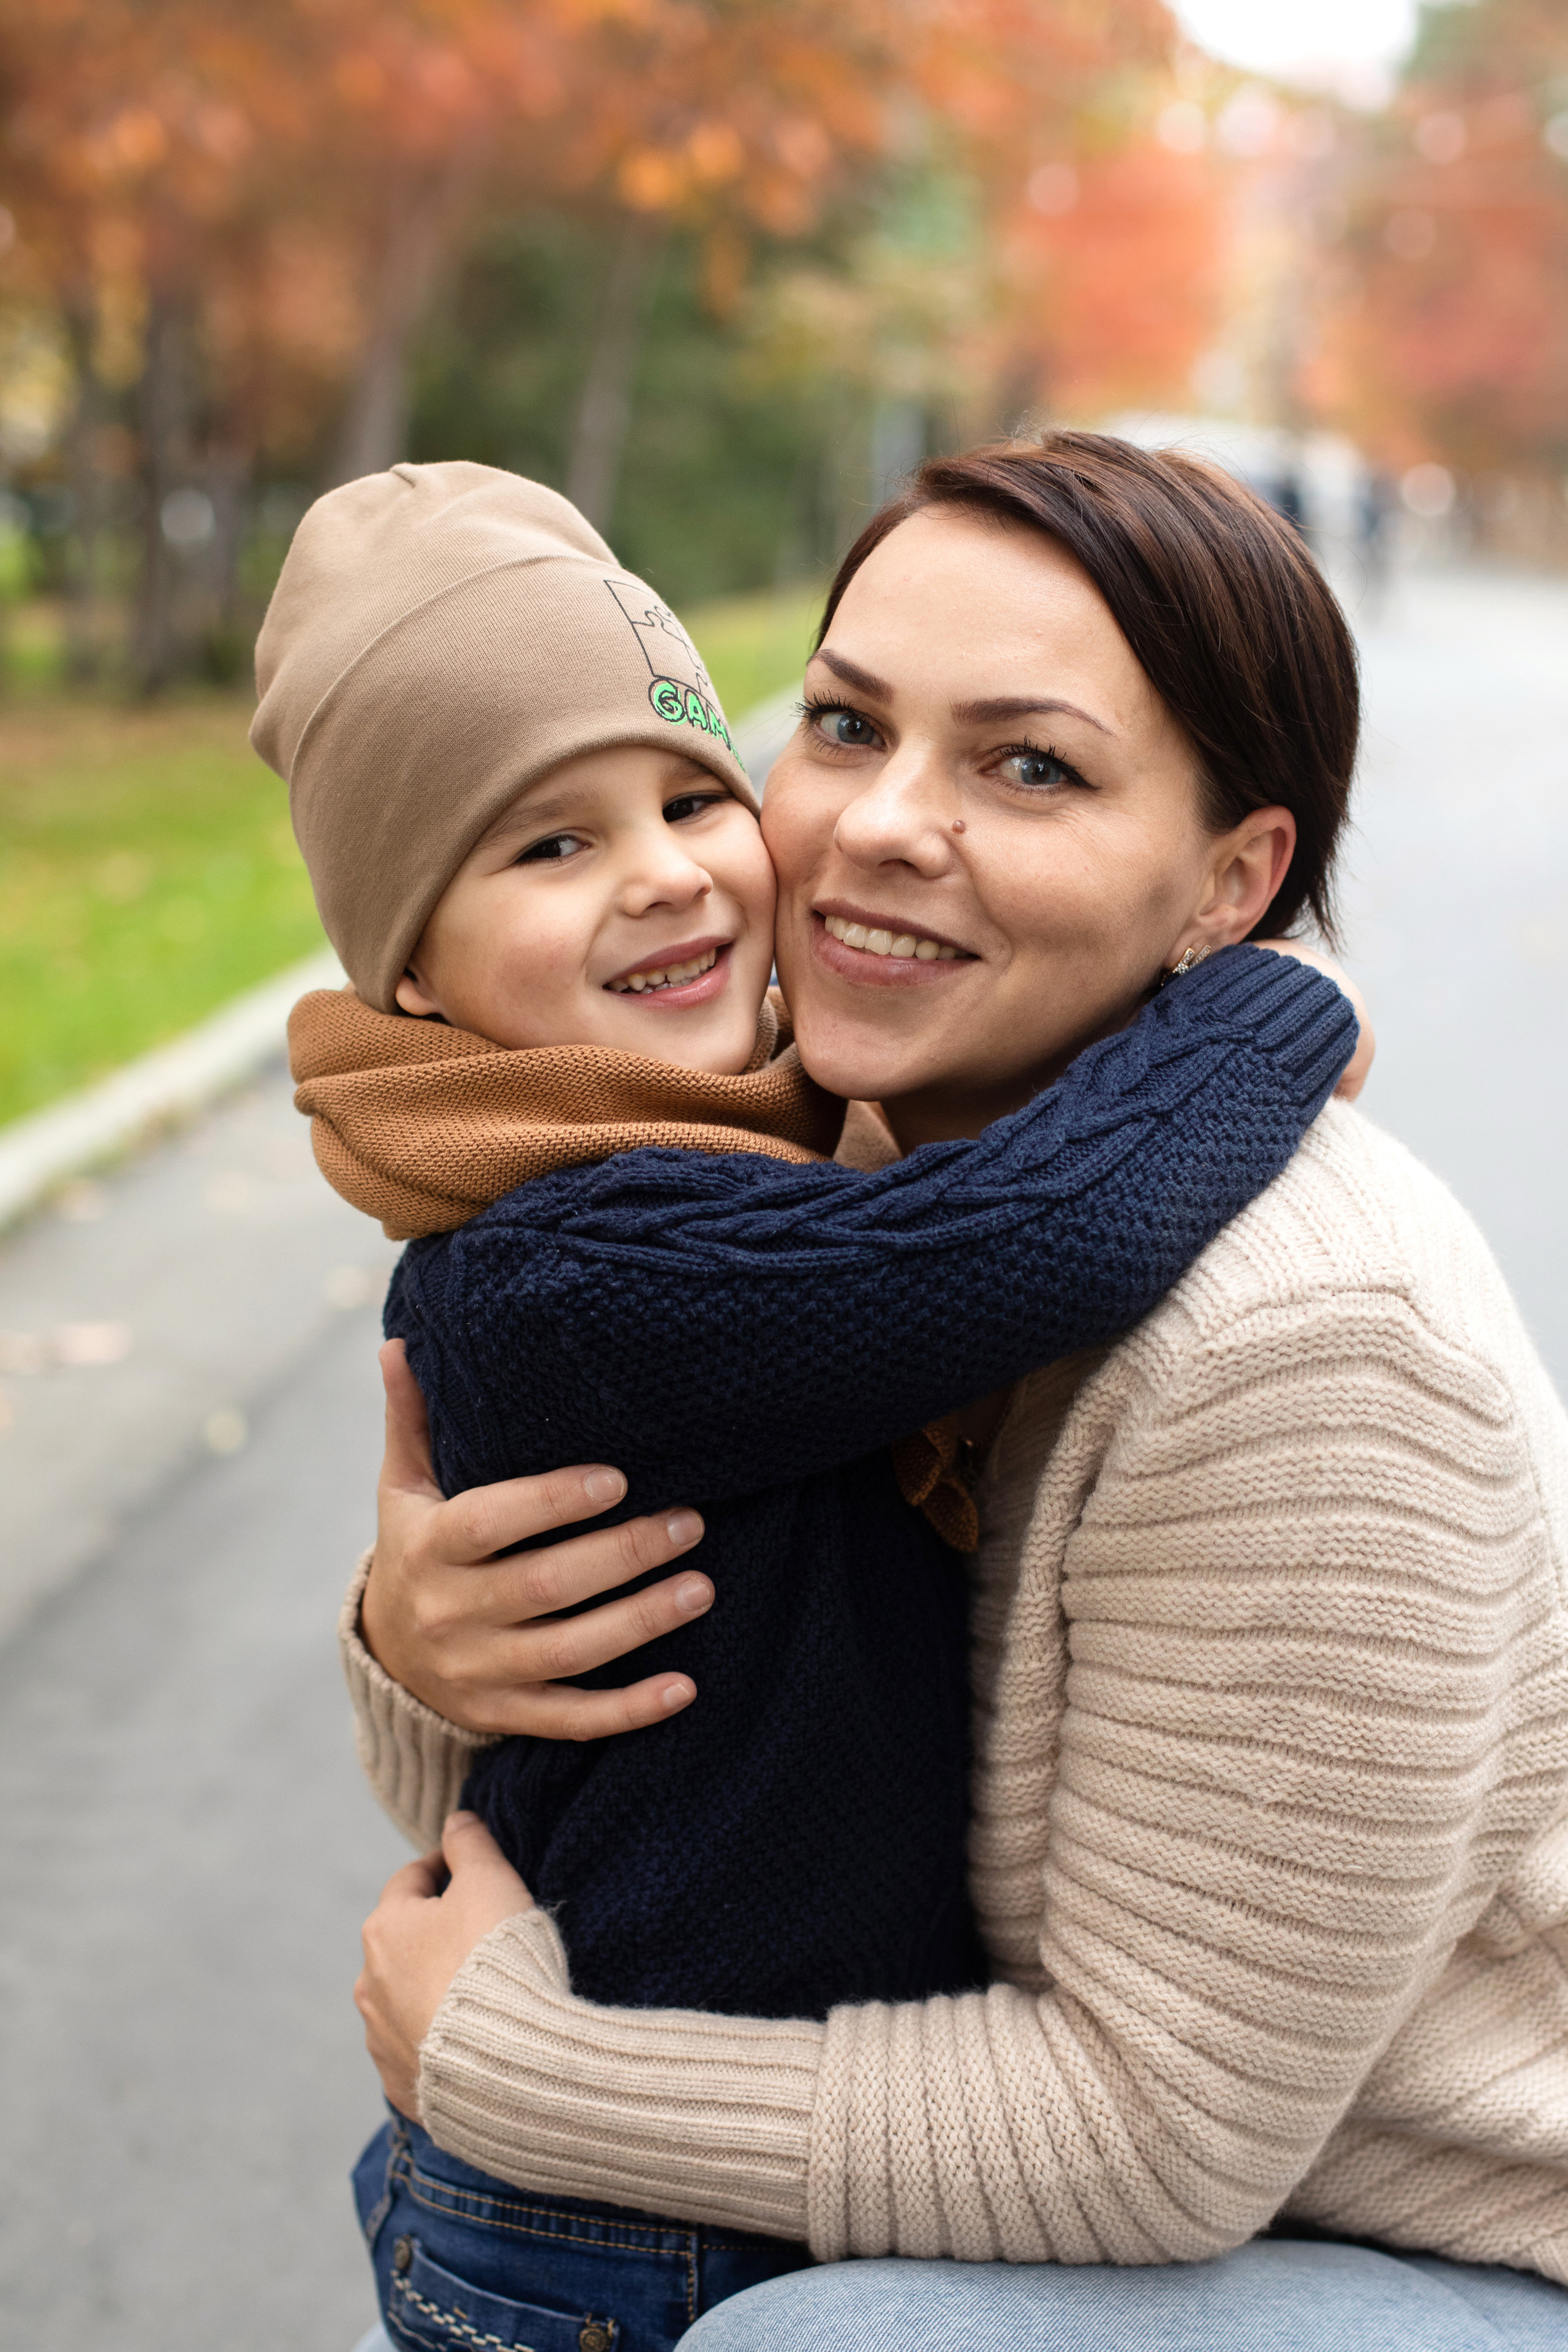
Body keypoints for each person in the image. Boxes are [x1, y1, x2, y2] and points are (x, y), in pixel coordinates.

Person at [349, 435, 1568, 2346]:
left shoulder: (1313, 1351)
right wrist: (424, 1646)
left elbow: (1161, 2144)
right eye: (843, 726)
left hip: (1411, 2245)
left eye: (1030, 765)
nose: (876, 827)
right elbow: (582, 1801)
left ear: (1234, 879)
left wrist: (533, 2074)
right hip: (983, 2137)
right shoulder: (799, 1169)